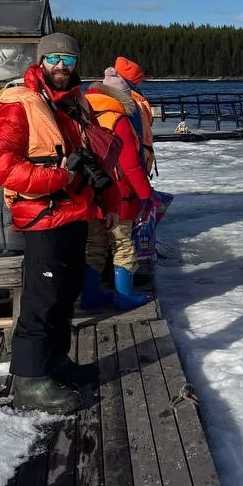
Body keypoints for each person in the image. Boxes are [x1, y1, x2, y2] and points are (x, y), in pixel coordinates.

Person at [0, 32, 104, 413]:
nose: (61, 67)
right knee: (42, 299)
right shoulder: (21, 104)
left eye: (68, 60)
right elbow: (2, 165)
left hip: (75, 213)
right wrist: (58, 177)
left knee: (66, 294)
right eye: (54, 59)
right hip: (42, 217)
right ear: (40, 61)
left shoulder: (76, 104)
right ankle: (30, 380)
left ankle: (55, 360)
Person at [84, 63, 156, 309]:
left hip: (90, 190)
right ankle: (124, 297)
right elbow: (129, 163)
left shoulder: (82, 113)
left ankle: (90, 295)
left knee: (94, 245)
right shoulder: (118, 118)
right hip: (118, 193)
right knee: (123, 244)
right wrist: (146, 194)